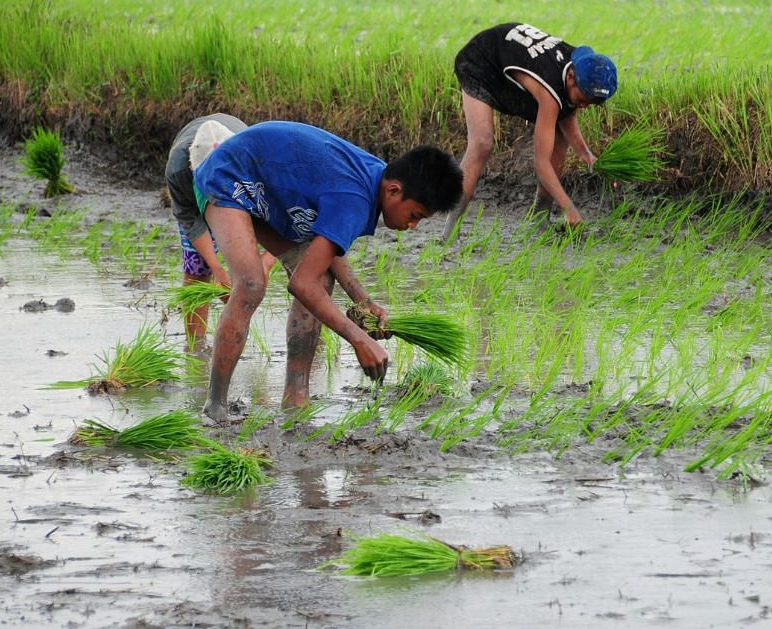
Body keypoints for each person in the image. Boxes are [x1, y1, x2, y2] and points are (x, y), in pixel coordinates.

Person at [192, 121, 463, 421]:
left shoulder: (374, 181)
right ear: (394, 190)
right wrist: (360, 339)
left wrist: (362, 300)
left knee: (321, 278)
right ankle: (215, 405)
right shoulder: (356, 198)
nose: (412, 226)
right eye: (414, 216)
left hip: (271, 193)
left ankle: (295, 399)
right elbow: (301, 284)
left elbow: (323, 252)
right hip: (228, 177)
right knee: (252, 283)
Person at [443, 22, 618, 242]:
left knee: (559, 138)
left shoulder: (581, 67)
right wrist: (569, 209)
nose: (584, 106)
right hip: (481, 61)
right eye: (583, 99)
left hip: (515, 61)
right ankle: (449, 233)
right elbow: (541, 163)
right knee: (482, 143)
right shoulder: (550, 88)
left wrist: (586, 154)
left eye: (591, 103)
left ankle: (539, 223)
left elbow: (569, 111)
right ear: (571, 78)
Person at [164, 113, 276, 351]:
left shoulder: (256, 162)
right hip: (194, 195)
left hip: (242, 190)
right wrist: (217, 268)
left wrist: (264, 263)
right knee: (197, 269)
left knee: (278, 264)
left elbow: (282, 218)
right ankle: (196, 348)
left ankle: (309, 340)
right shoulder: (178, 170)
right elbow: (189, 219)